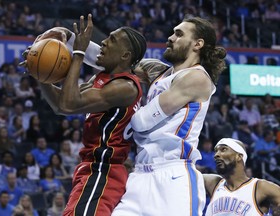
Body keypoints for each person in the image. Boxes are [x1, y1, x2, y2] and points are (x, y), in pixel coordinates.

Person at [21, 14, 146, 216]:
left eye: (112, 40)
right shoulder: (102, 79)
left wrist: (78, 52)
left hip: (104, 171)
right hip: (91, 169)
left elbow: (70, 104)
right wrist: (40, 72)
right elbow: (61, 106)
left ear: (125, 56)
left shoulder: (125, 87)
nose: (104, 42)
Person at [112, 17, 226, 216]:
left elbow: (141, 122)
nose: (171, 37)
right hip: (140, 175)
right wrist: (72, 44)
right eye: (173, 32)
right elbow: (114, 59)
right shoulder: (160, 72)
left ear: (198, 44)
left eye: (179, 34)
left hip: (173, 177)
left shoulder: (197, 77)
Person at [203, 138, 280, 215]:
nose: (216, 155)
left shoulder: (260, 187)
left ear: (239, 156)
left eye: (223, 149)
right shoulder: (213, 183)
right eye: (216, 151)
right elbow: (191, 174)